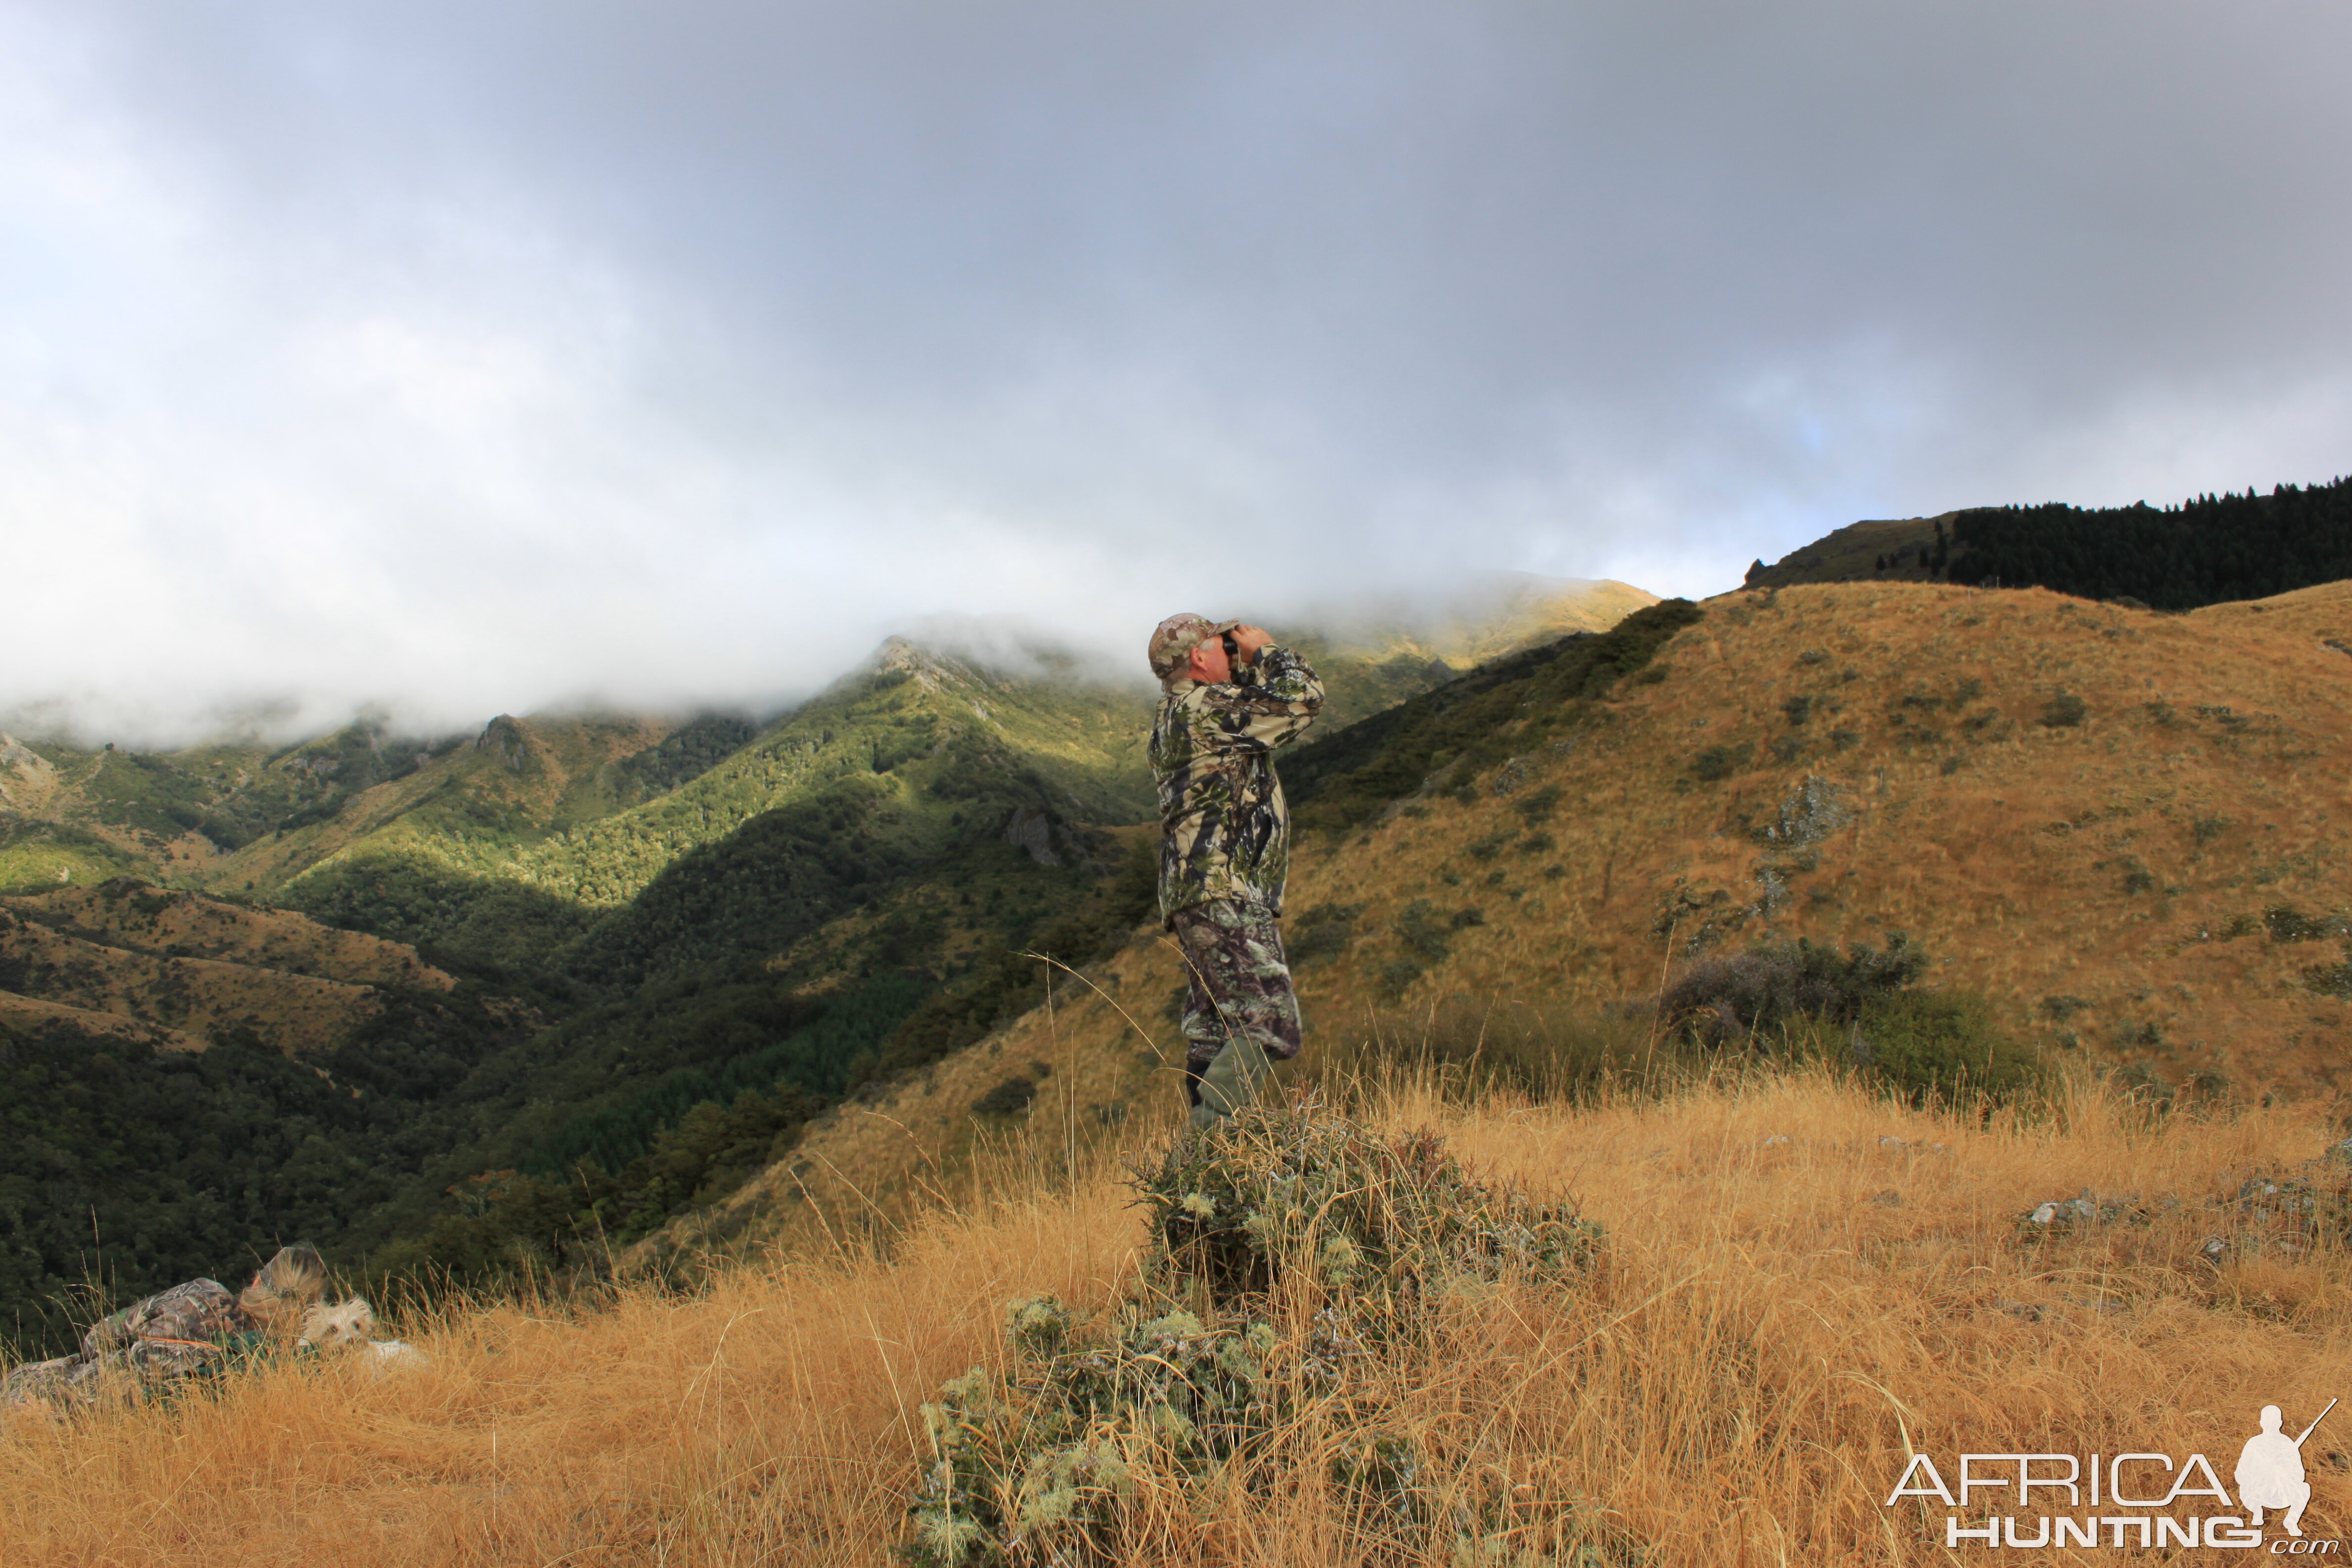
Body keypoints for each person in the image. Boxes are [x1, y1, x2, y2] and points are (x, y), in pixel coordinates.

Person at [1145, 613, 1324, 1129]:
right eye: (1220, 646)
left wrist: (1240, 663)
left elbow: (1249, 707)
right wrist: (1268, 653)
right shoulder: (1205, 711)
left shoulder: (1179, 712)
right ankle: (1211, 1148)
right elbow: (1301, 701)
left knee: (1217, 1028)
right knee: (1270, 1017)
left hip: (1195, 893)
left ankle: (1201, 1179)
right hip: (1222, 888)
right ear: (1199, 658)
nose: (1230, 650)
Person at [0, 1244, 333, 1417]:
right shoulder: (277, 1373)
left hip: (47, 1397)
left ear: (259, 1280)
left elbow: (101, 1334)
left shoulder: (205, 1294)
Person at [2237, 1402, 2322, 1537]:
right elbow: (2241, 1471)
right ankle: (2257, 1511)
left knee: (2305, 1489)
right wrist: (2258, 1475)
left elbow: (2299, 1473)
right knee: (2246, 1487)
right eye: (2268, 1420)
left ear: (2280, 1423)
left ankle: (2291, 1522)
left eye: (2274, 1420)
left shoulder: (2287, 1443)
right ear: (2262, 1423)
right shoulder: (2254, 1443)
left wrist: (2282, 1471)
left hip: (2281, 1492)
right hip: (2257, 1492)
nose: (2271, 1424)